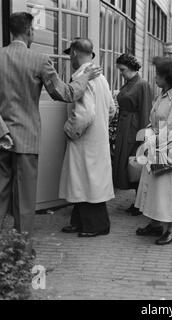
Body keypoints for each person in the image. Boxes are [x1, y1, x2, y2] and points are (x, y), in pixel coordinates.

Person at [0, 13, 100, 249]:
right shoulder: (39, 60)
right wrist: (84, 78)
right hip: (27, 138)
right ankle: (21, 250)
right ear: (30, 32)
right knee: (25, 199)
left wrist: (2, 131)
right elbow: (65, 94)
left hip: (1, 138)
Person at [59, 38, 116, 237]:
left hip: (84, 138)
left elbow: (84, 114)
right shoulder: (101, 77)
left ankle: (97, 226)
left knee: (86, 182)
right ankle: (80, 221)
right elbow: (111, 109)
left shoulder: (82, 77)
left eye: (69, 55)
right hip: (96, 137)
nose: (69, 59)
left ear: (74, 52)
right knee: (88, 181)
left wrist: (69, 129)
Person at [135, 57, 172, 245]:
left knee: (169, 189)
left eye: (158, 75)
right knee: (155, 187)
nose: (155, 78)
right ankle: (156, 223)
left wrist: (153, 142)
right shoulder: (163, 94)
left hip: (170, 147)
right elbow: (156, 119)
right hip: (158, 143)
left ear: (168, 76)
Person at [112, 54, 153, 215]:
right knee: (127, 163)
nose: (121, 73)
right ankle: (137, 201)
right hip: (124, 126)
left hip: (134, 128)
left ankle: (141, 202)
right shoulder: (129, 83)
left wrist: (143, 136)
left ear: (131, 68)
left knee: (135, 163)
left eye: (123, 69)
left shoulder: (142, 84)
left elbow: (145, 110)